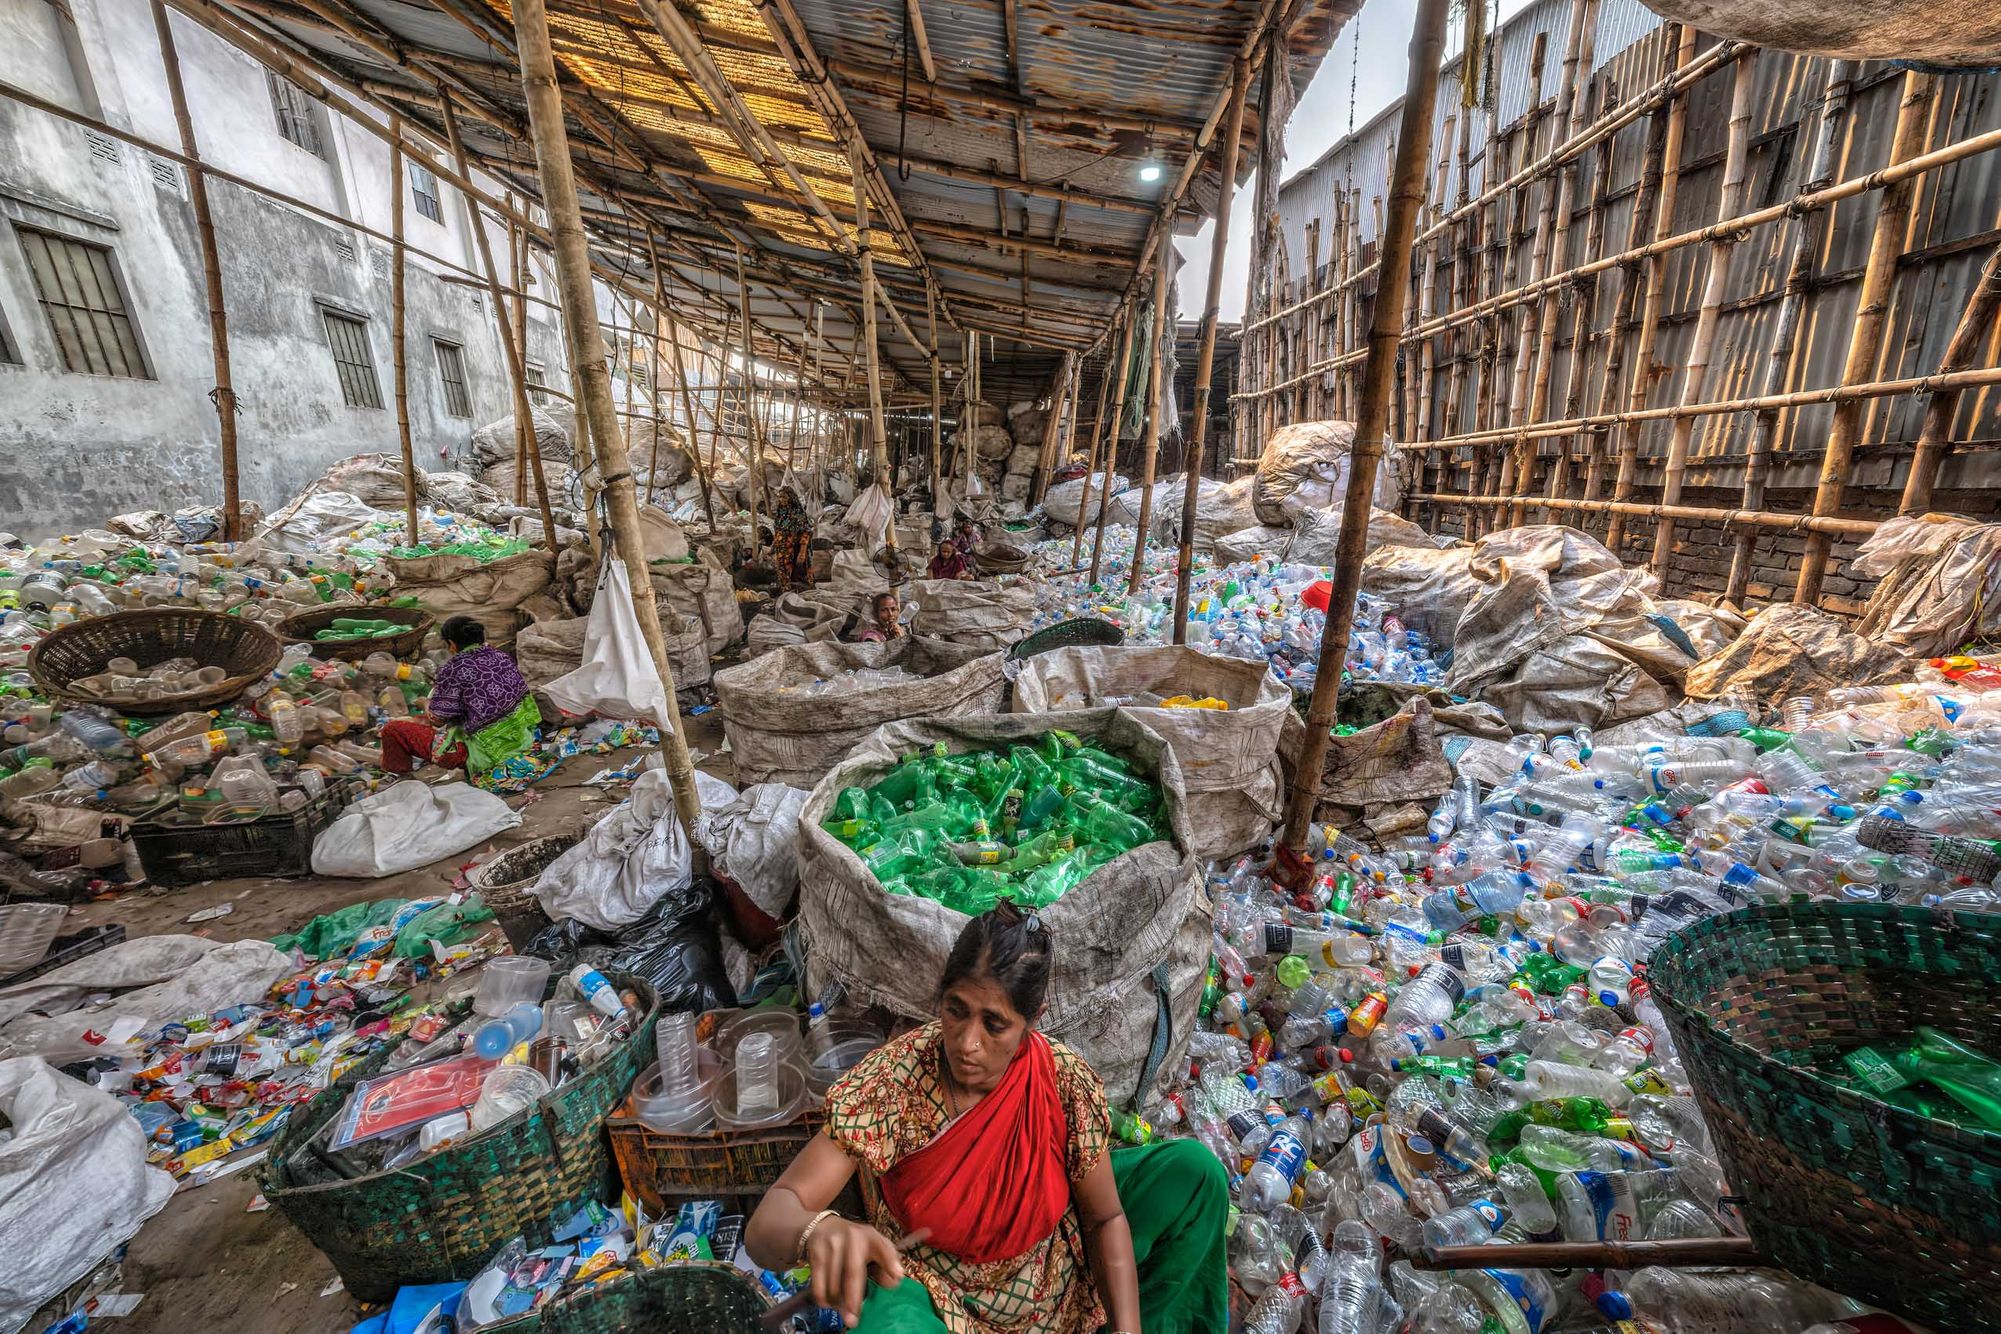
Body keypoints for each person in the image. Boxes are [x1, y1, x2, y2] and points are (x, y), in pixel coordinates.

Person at [744, 906, 1228, 1333]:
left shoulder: (1060, 1081)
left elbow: (1105, 1217)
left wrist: (1127, 1329)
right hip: (935, 1289)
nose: (967, 1042)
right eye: (956, 1011)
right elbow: (768, 1223)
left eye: (994, 1024)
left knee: (1192, 1174)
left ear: (1032, 1019)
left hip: (1051, 1269)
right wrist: (817, 1230)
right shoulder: (896, 1081)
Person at [379, 616, 539, 781]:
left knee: (392, 730)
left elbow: (437, 719)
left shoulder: (453, 668)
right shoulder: (500, 656)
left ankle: (399, 779)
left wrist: (425, 703)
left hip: (487, 753)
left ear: (452, 644)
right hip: (523, 739)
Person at [772, 485, 812, 589]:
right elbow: (777, 532)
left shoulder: (798, 512)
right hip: (782, 550)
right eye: (780, 497)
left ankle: (800, 595)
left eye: (784, 497)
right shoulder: (780, 513)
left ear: (791, 497)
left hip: (794, 549)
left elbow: (806, 532)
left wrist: (802, 552)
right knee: (783, 574)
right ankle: (787, 593)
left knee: (797, 574)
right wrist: (773, 548)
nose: (782, 500)